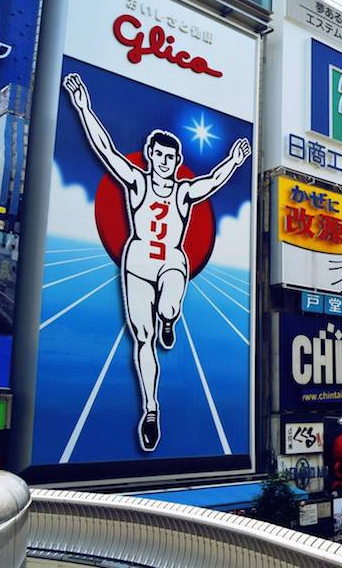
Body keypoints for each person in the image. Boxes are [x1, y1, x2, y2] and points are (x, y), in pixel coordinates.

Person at [63, 73, 251, 452]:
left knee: (169, 302)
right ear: (150, 157)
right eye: (158, 156)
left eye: (170, 157)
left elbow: (211, 182)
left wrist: (233, 161)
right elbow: (106, 150)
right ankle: (151, 408)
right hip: (137, 262)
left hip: (171, 261)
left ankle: (170, 318)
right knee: (142, 338)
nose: (163, 162)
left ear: (176, 161)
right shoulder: (136, 182)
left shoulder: (183, 192)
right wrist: (84, 108)